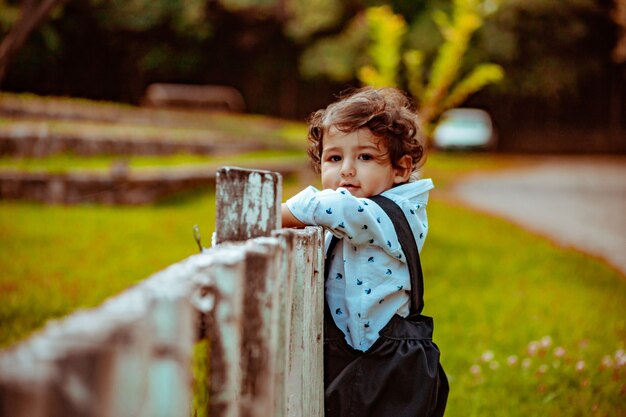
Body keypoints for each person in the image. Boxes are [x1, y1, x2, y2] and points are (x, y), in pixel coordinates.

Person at [282, 86, 448, 417]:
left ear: (400, 169)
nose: (346, 170)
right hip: (345, 356)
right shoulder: (343, 219)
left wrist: (273, 212)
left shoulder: (390, 212)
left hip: (392, 366)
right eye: (334, 158)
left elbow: (335, 207)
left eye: (365, 157)